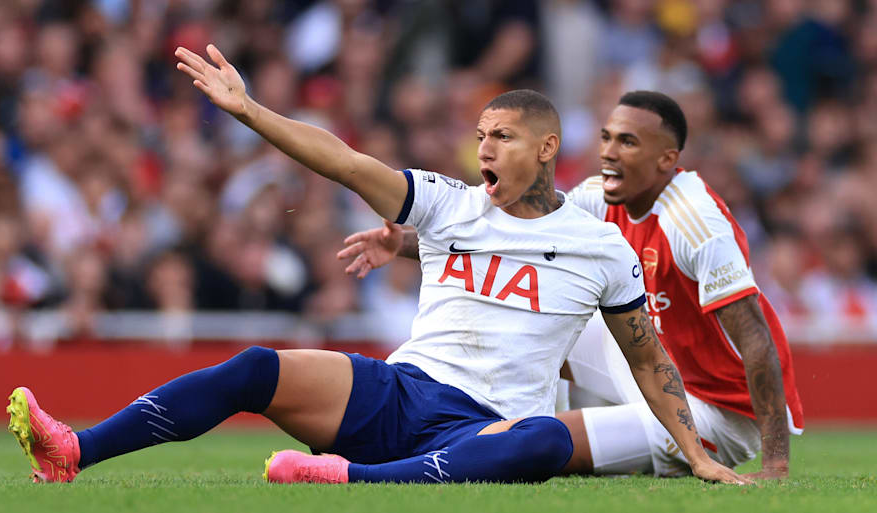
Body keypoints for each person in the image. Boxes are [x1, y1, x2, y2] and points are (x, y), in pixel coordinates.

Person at [7, 46, 746, 485]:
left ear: (547, 148)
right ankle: (76, 449)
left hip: (485, 429)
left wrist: (698, 457)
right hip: (401, 388)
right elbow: (345, 160)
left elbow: (649, 362)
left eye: (505, 136)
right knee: (258, 366)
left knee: (548, 439)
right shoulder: (451, 204)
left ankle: (350, 479)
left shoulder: (600, 247)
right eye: (481, 134)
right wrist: (250, 111)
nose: (484, 149)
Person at [340, 91, 803, 480]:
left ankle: (417, 461)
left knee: (557, 447)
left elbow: (756, 339)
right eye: (606, 137)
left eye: (628, 142)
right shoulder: (598, 196)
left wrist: (776, 462)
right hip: (655, 360)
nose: (609, 152)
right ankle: (485, 428)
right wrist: (402, 243)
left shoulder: (697, 224)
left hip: (716, 409)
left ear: (667, 159)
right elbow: (508, 240)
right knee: (540, 315)